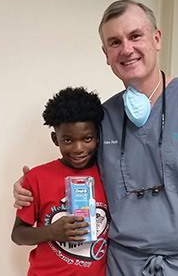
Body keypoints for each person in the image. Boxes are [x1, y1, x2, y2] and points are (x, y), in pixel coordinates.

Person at [13, 0, 178, 276]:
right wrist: (26, 186)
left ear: (156, 38)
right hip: (121, 265)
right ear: (106, 54)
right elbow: (76, 164)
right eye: (115, 42)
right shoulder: (104, 116)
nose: (126, 49)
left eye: (135, 36)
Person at [11, 87, 109, 276]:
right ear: (55, 139)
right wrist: (51, 232)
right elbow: (18, 234)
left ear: (98, 136)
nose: (78, 148)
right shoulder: (36, 178)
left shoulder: (110, 174)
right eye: (68, 140)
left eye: (87, 138)